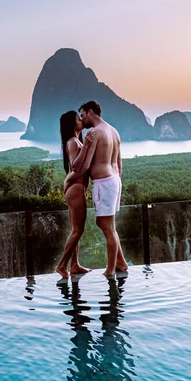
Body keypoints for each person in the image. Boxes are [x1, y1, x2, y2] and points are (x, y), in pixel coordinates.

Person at [64, 100, 129, 278]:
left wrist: (69, 178)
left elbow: (82, 167)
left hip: (104, 182)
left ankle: (110, 269)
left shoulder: (94, 133)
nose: (82, 120)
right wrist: (115, 183)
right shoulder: (113, 131)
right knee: (106, 224)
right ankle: (121, 262)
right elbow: (119, 163)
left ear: (91, 112)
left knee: (108, 227)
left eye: (83, 115)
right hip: (114, 180)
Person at [56, 110, 94, 279]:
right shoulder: (73, 142)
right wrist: (67, 181)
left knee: (75, 229)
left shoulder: (75, 141)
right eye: (79, 118)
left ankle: (74, 265)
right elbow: (76, 167)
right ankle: (62, 265)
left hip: (76, 188)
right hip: (76, 187)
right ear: (73, 124)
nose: (81, 120)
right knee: (78, 230)